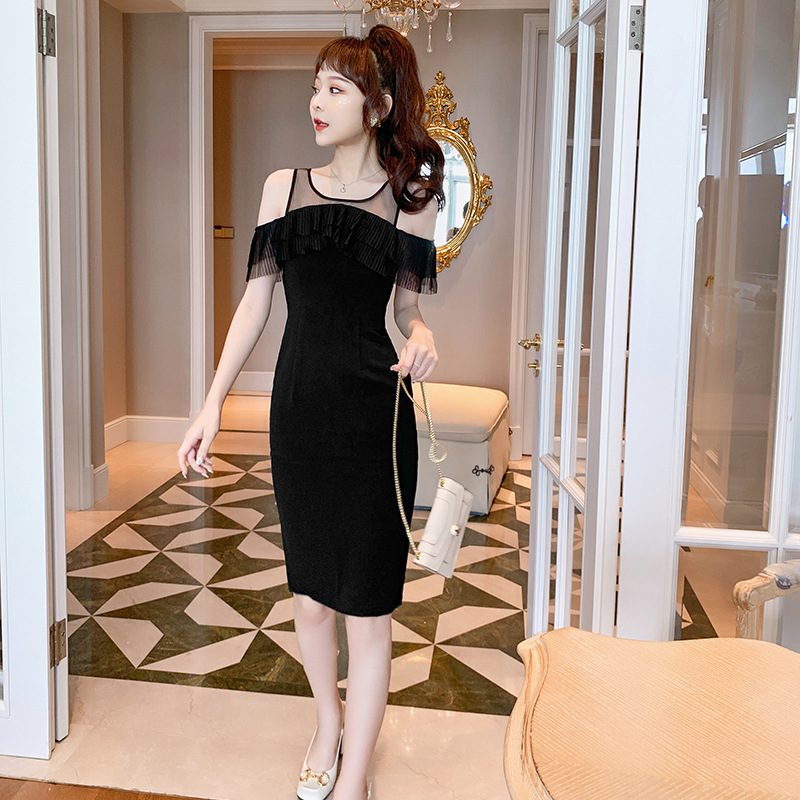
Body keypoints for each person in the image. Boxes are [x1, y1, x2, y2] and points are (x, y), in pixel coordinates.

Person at [177, 24, 445, 800]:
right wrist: (210, 403)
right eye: (314, 86)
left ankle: (353, 778)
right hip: (299, 414)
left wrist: (423, 335)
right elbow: (254, 304)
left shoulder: (410, 201)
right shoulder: (283, 187)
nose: (316, 101)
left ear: (377, 106)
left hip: (376, 419)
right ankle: (327, 724)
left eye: (335, 88)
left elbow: (407, 311)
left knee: (368, 609)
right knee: (310, 599)